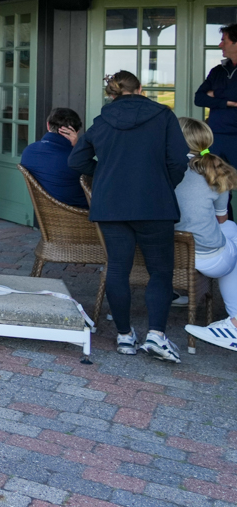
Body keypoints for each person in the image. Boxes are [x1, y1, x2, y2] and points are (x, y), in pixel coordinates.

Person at [68, 70, 189, 362]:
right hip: (154, 204)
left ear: (112, 93)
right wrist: (162, 183)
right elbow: (177, 161)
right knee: (160, 271)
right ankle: (156, 335)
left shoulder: (102, 120)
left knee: (118, 268)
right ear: (140, 89)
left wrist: (107, 175)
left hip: (111, 205)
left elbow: (76, 160)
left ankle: (124, 336)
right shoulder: (163, 115)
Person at [176, 117, 237, 352]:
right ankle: (234, 323)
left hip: (167, 252)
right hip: (207, 258)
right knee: (231, 232)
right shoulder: (215, 171)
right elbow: (221, 219)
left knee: (231, 231)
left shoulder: (160, 167)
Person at [19, 107, 90, 208]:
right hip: (80, 210)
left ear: (48, 125)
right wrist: (76, 147)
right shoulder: (74, 158)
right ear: (77, 132)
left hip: (44, 210)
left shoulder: (29, 150)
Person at [195, 22, 237, 177]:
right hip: (215, 137)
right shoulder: (217, 71)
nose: (220, 45)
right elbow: (199, 99)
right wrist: (226, 102)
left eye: (224, 40)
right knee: (216, 183)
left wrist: (214, 93)